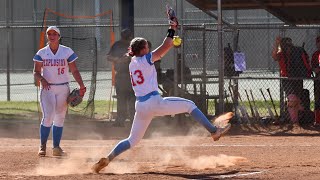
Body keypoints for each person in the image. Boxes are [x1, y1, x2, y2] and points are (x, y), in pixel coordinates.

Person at [91, 17, 232, 173]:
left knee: (132, 140)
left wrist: (171, 34)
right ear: (142, 50)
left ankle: (108, 158)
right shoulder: (145, 59)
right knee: (189, 105)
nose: (148, 48)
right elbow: (166, 45)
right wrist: (171, 28)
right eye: (146, 46)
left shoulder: (132, 62)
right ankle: (214, 132)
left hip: (141, 106)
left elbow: (152, 50)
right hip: (153, 102)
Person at [33, 26, 86, 156]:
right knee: (49, 116)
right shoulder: (42, 52)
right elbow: (36, 72)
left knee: (60, 117)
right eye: (49, 34)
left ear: (59, 36)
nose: (52, 36)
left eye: (54, 34)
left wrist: (81, 86)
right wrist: (41, 79)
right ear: (47, 36)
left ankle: (56, 148)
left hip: (63, 88)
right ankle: (42, 146)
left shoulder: (66, 51)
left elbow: (74, 70)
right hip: (48, 88)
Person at [271, 37, 312, 124]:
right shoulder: (281, 53)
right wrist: (277, 43)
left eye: (289, 45)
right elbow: (274, 56)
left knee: (297, 100)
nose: (288, 47)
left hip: (297, 78)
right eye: (286, 45)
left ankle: (298, 118)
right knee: (292, 99)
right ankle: (294, 121)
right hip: (286, 79)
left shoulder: (297, 52)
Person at [107, 29, 135, 127]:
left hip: (132, 75)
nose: (127, 39)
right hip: (121, 75)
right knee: (121, 99)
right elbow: (108, 57)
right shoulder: (117, 45)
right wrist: (118, 60)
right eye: (125, 37)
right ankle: (120, 120)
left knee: (133, 99)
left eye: (128, 37)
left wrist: (130, 58)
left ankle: (133, 121)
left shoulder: (134, 44)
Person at [311, 36, 320, 126]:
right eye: (318, 43)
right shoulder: (315, 54)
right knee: (317, 100)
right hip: (318, 79)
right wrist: (314, 69)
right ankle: (317, 120)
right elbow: (312, 66)